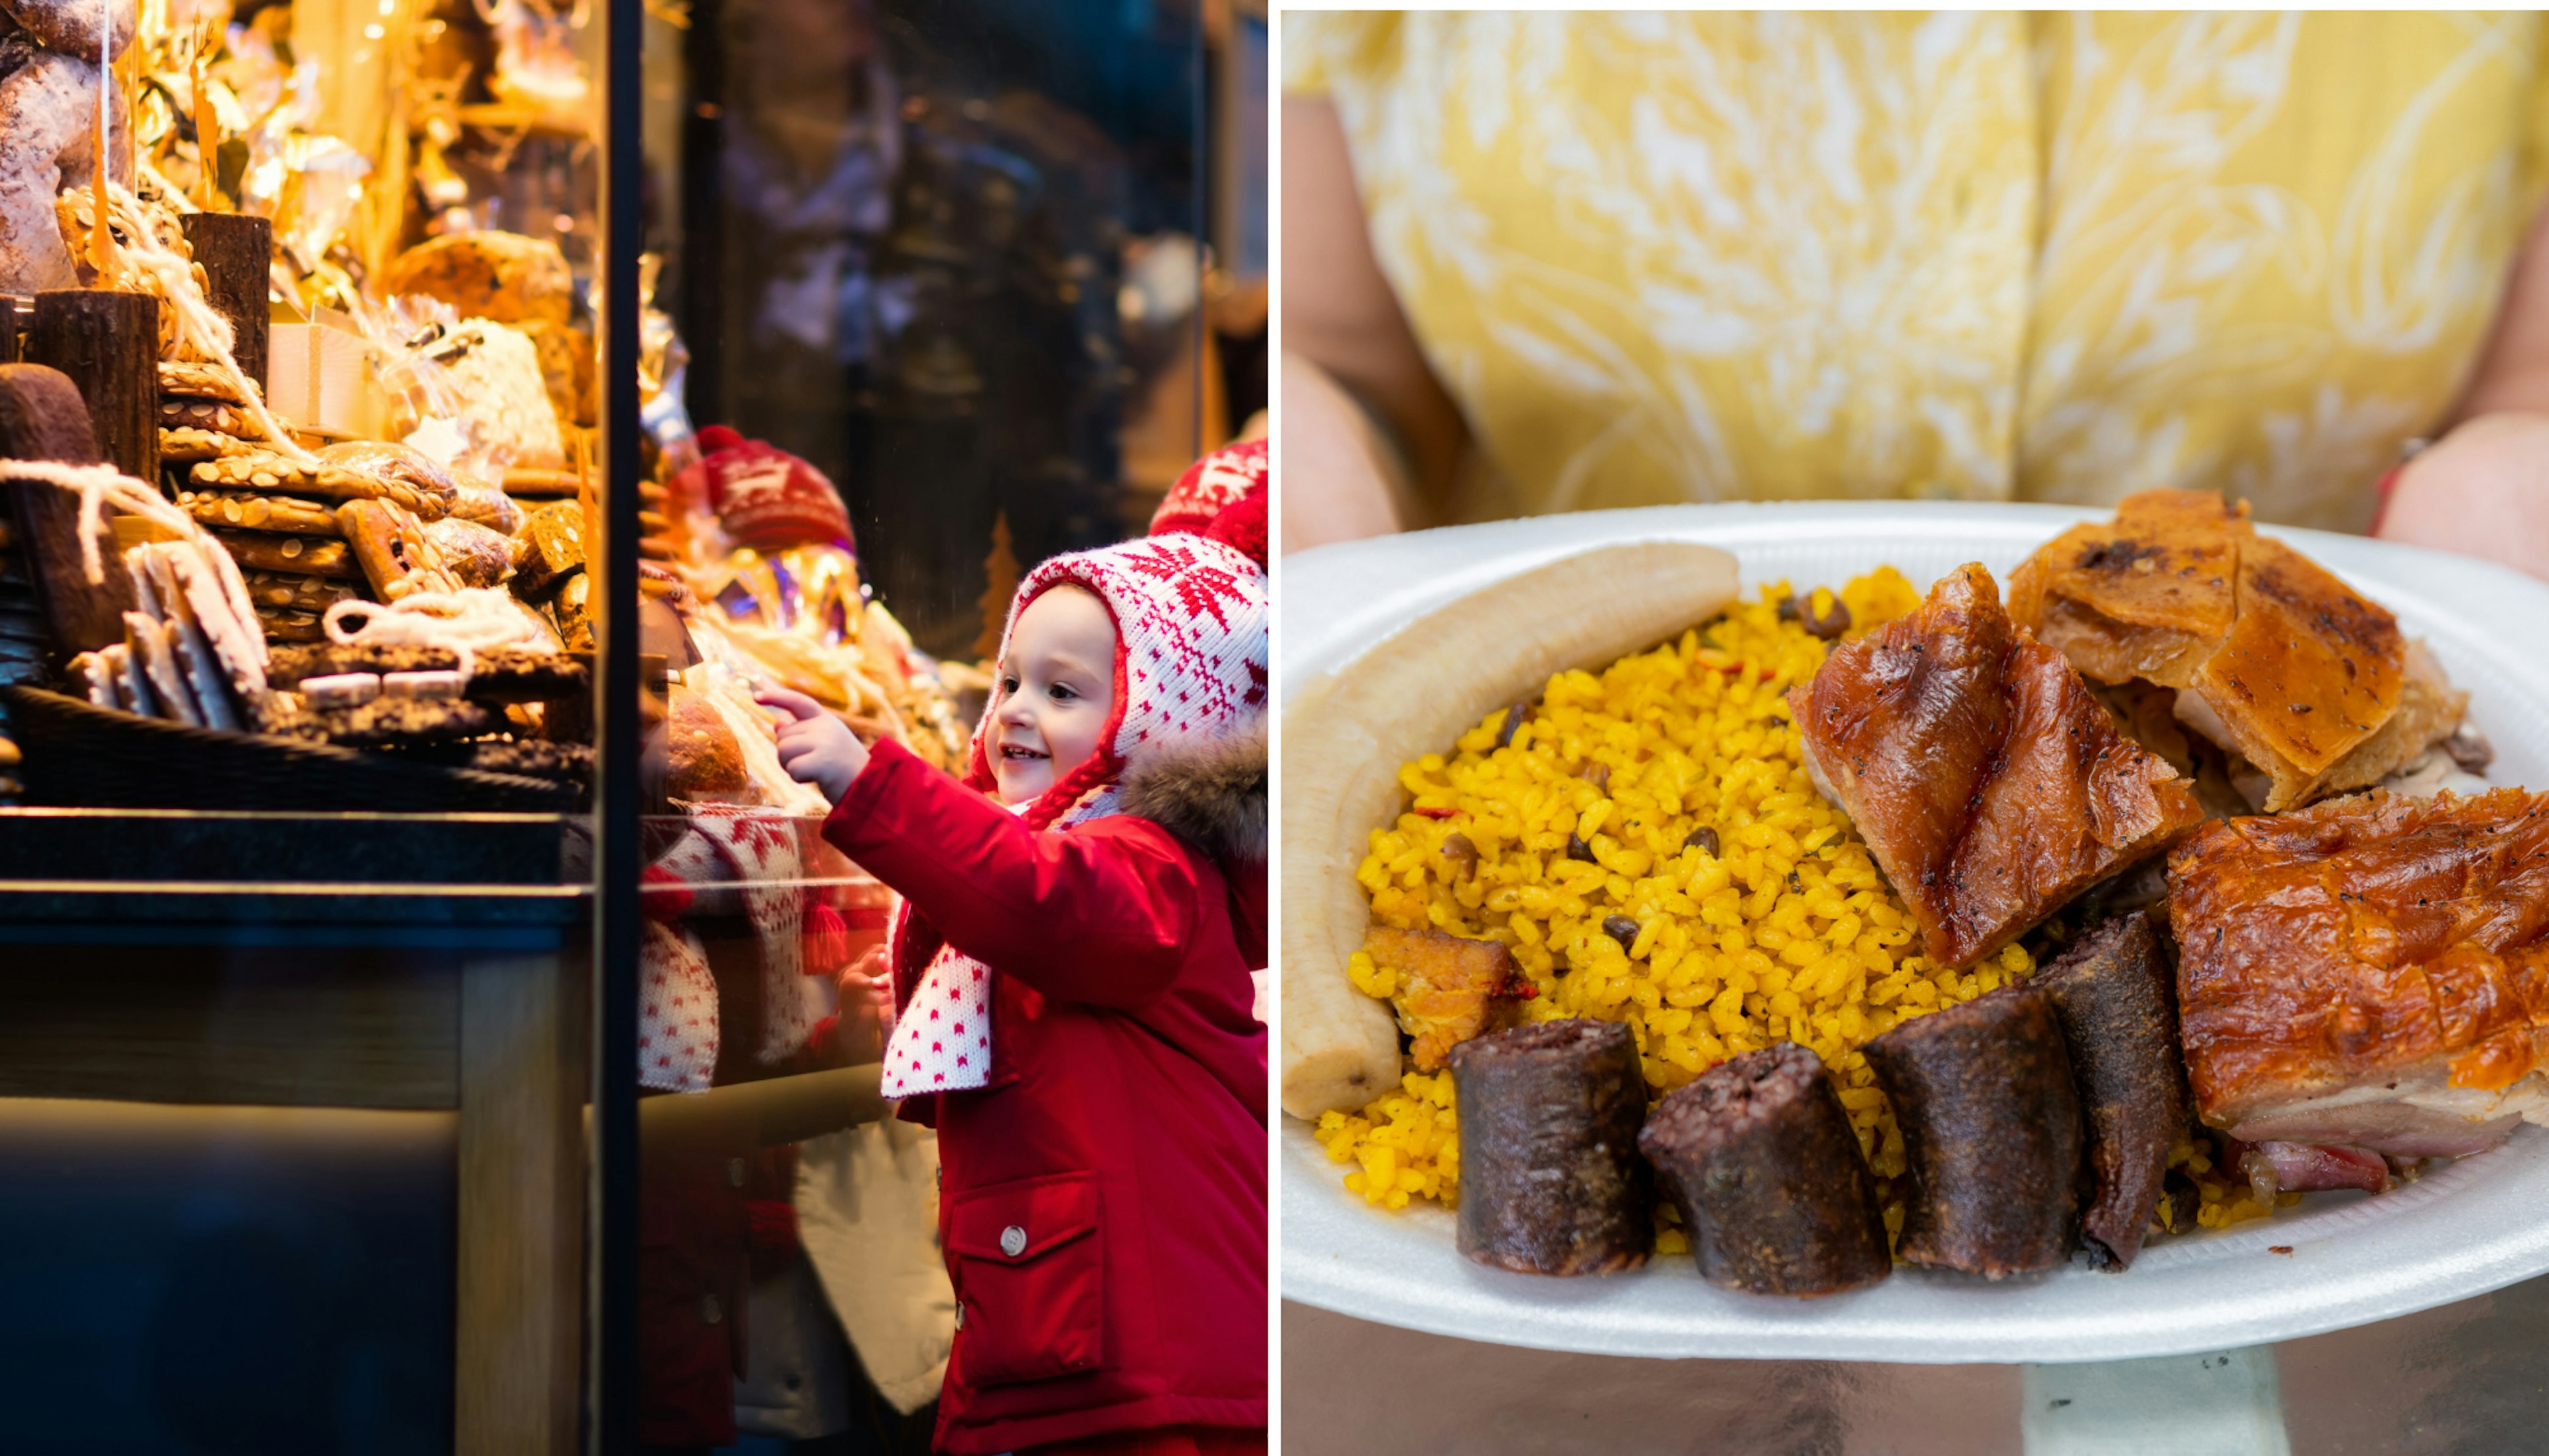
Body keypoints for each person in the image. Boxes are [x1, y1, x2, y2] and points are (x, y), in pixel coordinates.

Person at [1282, 11, 2549, 579]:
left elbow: (2528, 384)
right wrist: (1310, 458)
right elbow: (1346, 358)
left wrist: (2506, 482)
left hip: (2280, 789)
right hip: (1567, 779)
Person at [756, 440, 1273, 1456]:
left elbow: (1038, 900)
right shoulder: (1093, 868)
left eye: (1065, 691)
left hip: (1146, 1362)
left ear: (1158, 717)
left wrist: (876, 784)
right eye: (1011, 682)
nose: (1018, 713)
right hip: (1054, 1331)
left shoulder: (1149, 866)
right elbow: (1021, 939)